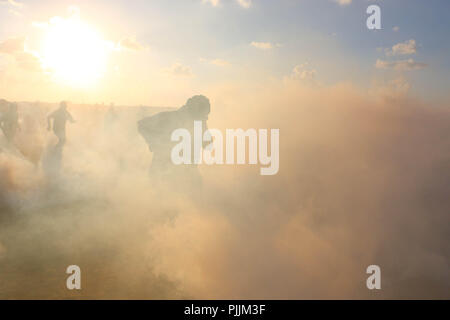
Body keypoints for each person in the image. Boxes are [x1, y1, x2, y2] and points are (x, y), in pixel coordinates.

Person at [138, 95, 212, 188]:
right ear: (192, 111)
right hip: (164, 173)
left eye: (204, 116)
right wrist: (154, 142)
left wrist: (204, 129)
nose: (203, 118)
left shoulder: (199, 123)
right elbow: (141, 125)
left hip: (188, 173)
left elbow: (208, 146)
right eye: (201, 115)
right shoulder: (168, 117)